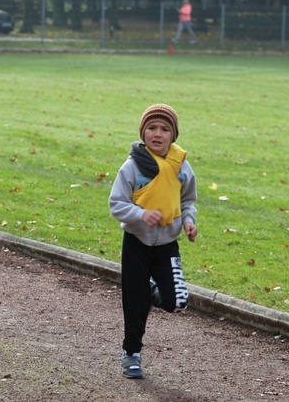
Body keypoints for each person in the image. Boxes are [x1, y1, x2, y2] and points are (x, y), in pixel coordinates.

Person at [108, 103, 198, 379]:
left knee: (178, 300)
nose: (157, 134)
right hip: (136, 243)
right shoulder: (133, 166)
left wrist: (188, 221)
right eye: (151, 128)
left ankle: (149, 288)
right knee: (135, 304)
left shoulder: (181, 166)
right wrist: (140, 214)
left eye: (164, 129)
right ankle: (131, 354)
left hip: (167, 245)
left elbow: (187, 200)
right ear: (143, 132)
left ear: (173, 135)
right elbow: (116, 204)